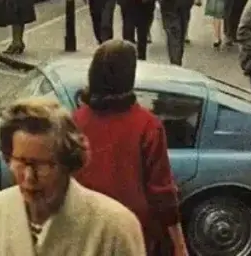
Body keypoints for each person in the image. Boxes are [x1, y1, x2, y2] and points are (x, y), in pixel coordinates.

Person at [0, 98, 147, 256]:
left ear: (68, 163)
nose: (29, 177)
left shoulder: (115, 228)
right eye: (20, 162)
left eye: (42, 165)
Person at [72, 41, 189, 256]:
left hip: (86, 229)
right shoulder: (148, 125)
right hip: (133, 232)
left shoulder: (75, 121)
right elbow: (161, 191)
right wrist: (179, 244)